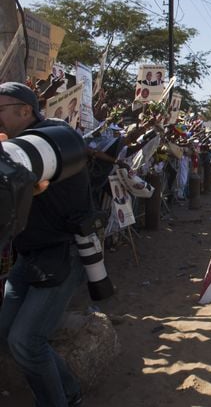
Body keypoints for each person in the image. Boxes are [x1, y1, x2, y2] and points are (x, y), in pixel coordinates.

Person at [0, 81, 89, 407]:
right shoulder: (15, 143)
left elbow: (28, 176)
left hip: (61, 252)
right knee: (6, 334)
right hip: (30, 255)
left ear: (25, 110)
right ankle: (68, 390)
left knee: (26, 340)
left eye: (0, 109)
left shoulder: (56, 138)